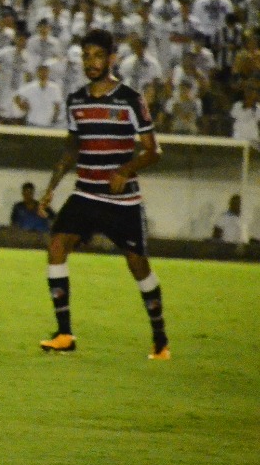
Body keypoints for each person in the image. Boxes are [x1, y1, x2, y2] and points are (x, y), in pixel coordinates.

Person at [38, 29, 169, 360]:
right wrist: (51, 188)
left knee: (137, 265)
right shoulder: (77, 100)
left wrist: (125, 170)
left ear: (112, 59)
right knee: (56, 246)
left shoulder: (130, 99)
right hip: (85, 194)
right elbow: (71, 149)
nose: (91, 62)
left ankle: (160, 339)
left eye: (98, 56)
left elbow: (154, 151)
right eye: (86, 56)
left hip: (122, 202)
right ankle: (65, 333)